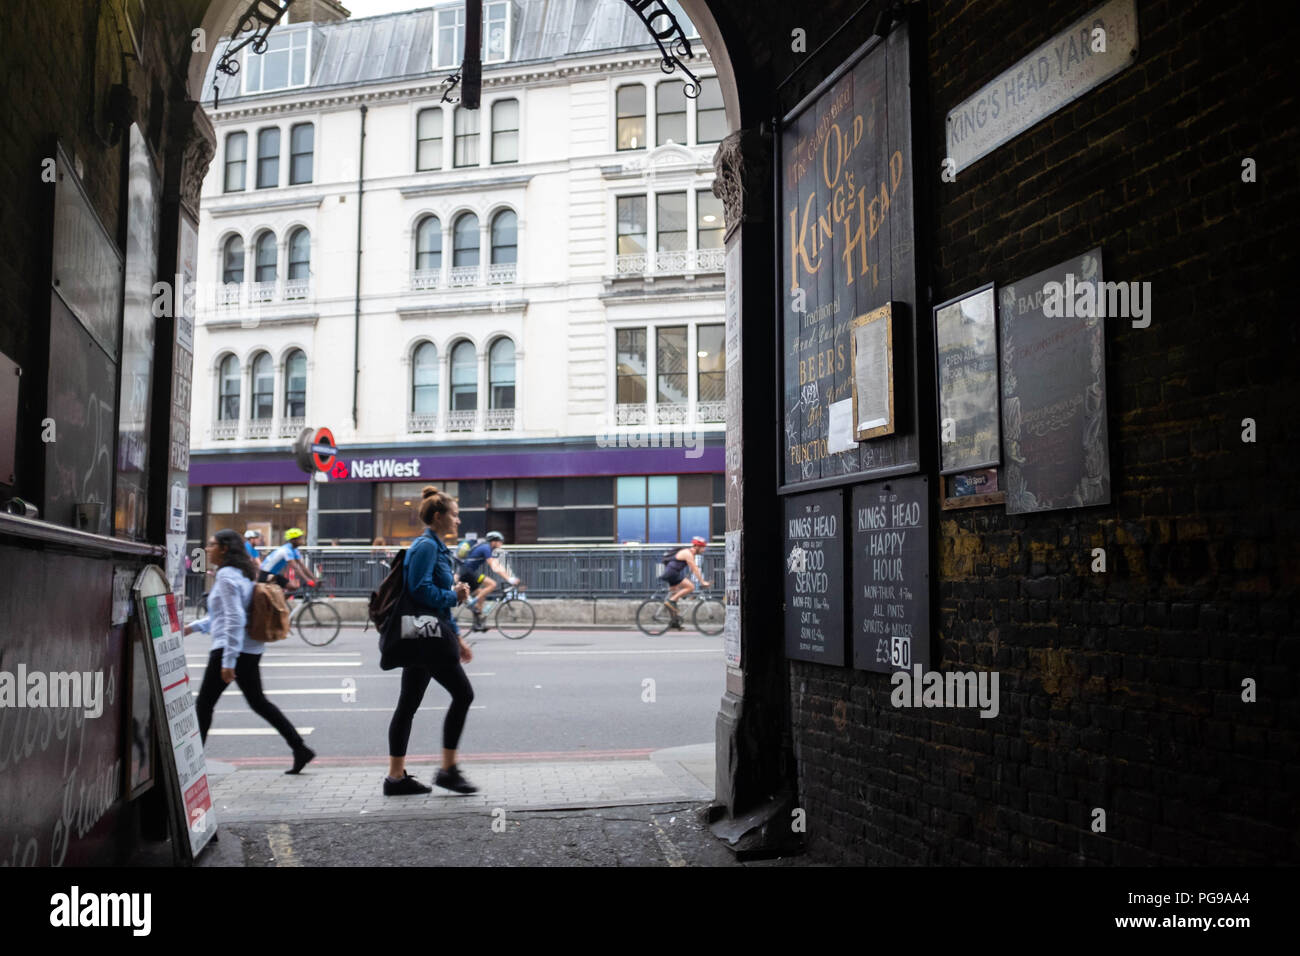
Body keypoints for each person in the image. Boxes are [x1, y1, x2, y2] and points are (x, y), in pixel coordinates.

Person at [186, 529, 315, 774]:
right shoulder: (242, 574)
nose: (208, 549)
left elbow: (234, 618)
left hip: (232, 649)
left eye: (212, 544)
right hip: (250, 648)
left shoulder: (225, 576)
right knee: (257, 702)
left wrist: (228, 662)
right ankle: (300, 748)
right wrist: (192, 628)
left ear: (224, 549)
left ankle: (193, 764)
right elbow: (224, 617)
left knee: (204, 704)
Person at [384, 486, 478, 796]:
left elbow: (435, 602)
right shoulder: (425, 546)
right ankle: (448, 770)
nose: (458, 520)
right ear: (438, 517)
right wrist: (455, 595)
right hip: (425, 633)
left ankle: (395, 778)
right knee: (463, 695)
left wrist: (458, 637)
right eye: (454, 514)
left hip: (428, 632)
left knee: (407, 705)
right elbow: (419, 590)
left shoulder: (437, 548)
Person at [459, 530, 520, 632]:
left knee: (481, 595)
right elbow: (494, 566)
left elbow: (498, 564)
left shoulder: (487, 548)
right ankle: (472, 602)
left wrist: (509, 576)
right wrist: (509, 579)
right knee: (492, 584)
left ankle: (478, 623)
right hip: (468, 573)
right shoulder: (486, 547)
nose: (501, 543)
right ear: (494, 541)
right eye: (500, 541)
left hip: (467, 573)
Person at [660, 536, 712, 629]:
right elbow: (694, 568)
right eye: (702, 548)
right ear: (697, 547)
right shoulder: (688, 553)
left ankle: (674, 622)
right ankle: (670, 601)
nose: (704, 550)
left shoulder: (688, 553)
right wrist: (702, 582)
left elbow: (690, 569)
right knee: (691, 587)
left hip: (671, 573)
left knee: (674, 597)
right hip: (672, 573)